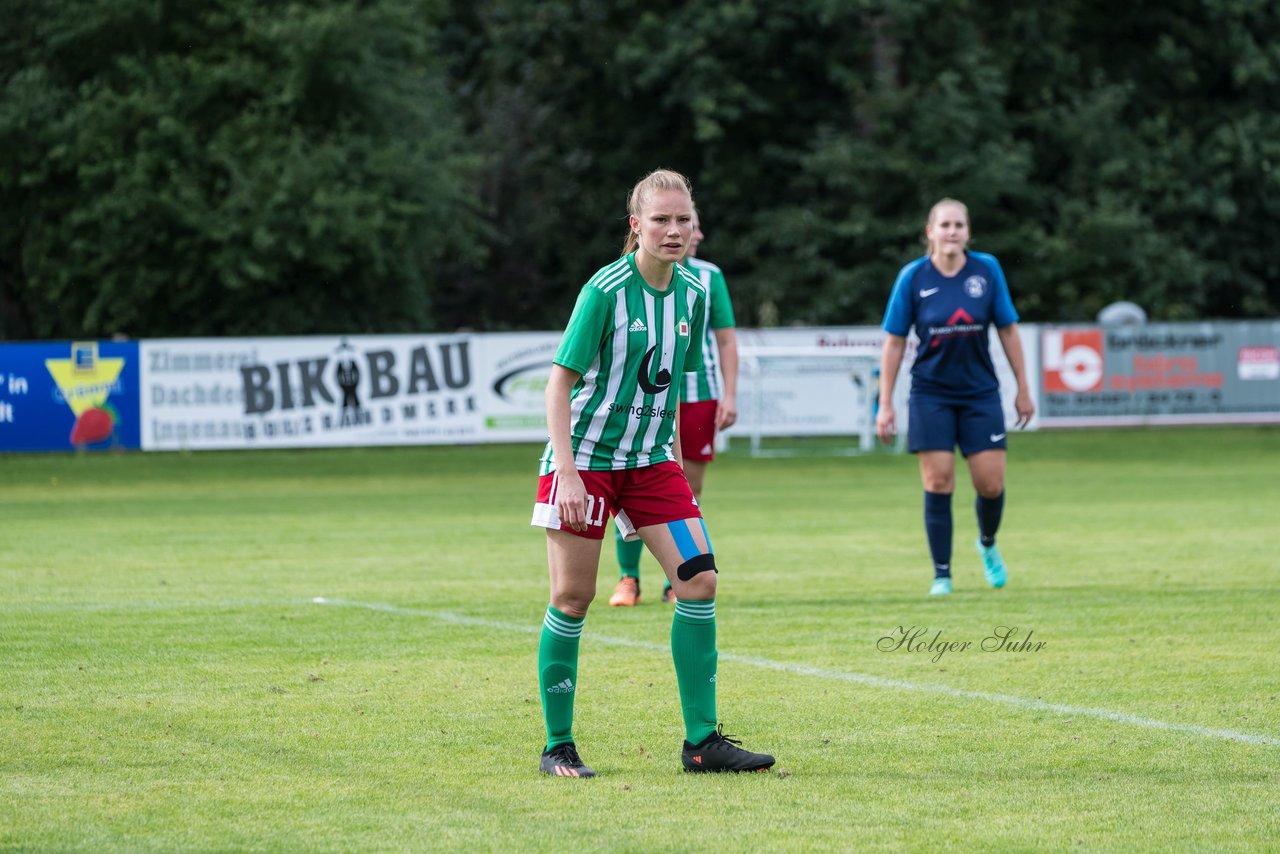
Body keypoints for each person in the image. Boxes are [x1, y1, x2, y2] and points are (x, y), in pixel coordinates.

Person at [530, 168, 774, 777]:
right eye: (660, 219)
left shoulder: (694, 293)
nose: (673, 230)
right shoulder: (605, 291)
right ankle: (558, 745)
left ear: (695, 228)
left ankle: (702, 743)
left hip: (652, 463)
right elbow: (558, 384)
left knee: (700, 580)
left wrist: (660, 477)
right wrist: (567, 471)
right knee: (573, 597)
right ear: (635, 225)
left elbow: (664, 386)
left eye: (682, 219)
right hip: (584, 460)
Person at [875, 198, 1034, 596]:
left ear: (967, 232)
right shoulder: (913, 277)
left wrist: (1023, 389)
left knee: (990, 485)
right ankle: (942, 575)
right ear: (930, 232)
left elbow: (1009, 331)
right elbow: (894, 343)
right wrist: (886, 403)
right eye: (944, 225)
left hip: (981, 393)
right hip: (930, 393)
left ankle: (987, 543)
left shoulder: (987, 270)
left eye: (959, 225)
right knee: (939, 480)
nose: (952, 232)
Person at [608, 209, 739, 607]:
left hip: (697, 397)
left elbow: (727, 339)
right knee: (627, 479)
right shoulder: (620, 280)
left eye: (689, 222)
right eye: (668, 220)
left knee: (686, 488)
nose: (682, 231)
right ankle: (628, 578)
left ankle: (677, 576)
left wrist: (730, 394)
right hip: (639, 401)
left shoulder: (708, 278)